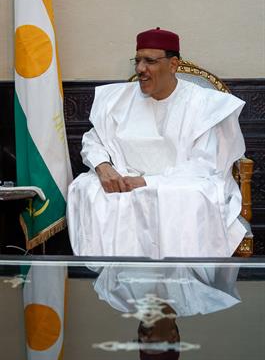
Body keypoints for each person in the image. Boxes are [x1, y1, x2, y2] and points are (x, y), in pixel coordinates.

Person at [67, 27, 247, 258]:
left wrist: (147, 182)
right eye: (138, 60)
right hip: (124, 183)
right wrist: (104, 167)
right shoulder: (118, 100)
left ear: (173, 65)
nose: (141, 69)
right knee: (86, 187)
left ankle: (180, 281)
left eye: (150, 61)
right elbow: (94, 140)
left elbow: (205, 166)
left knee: (193, 195)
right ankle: (121, 274)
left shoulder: (202, 104)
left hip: (179, 185)